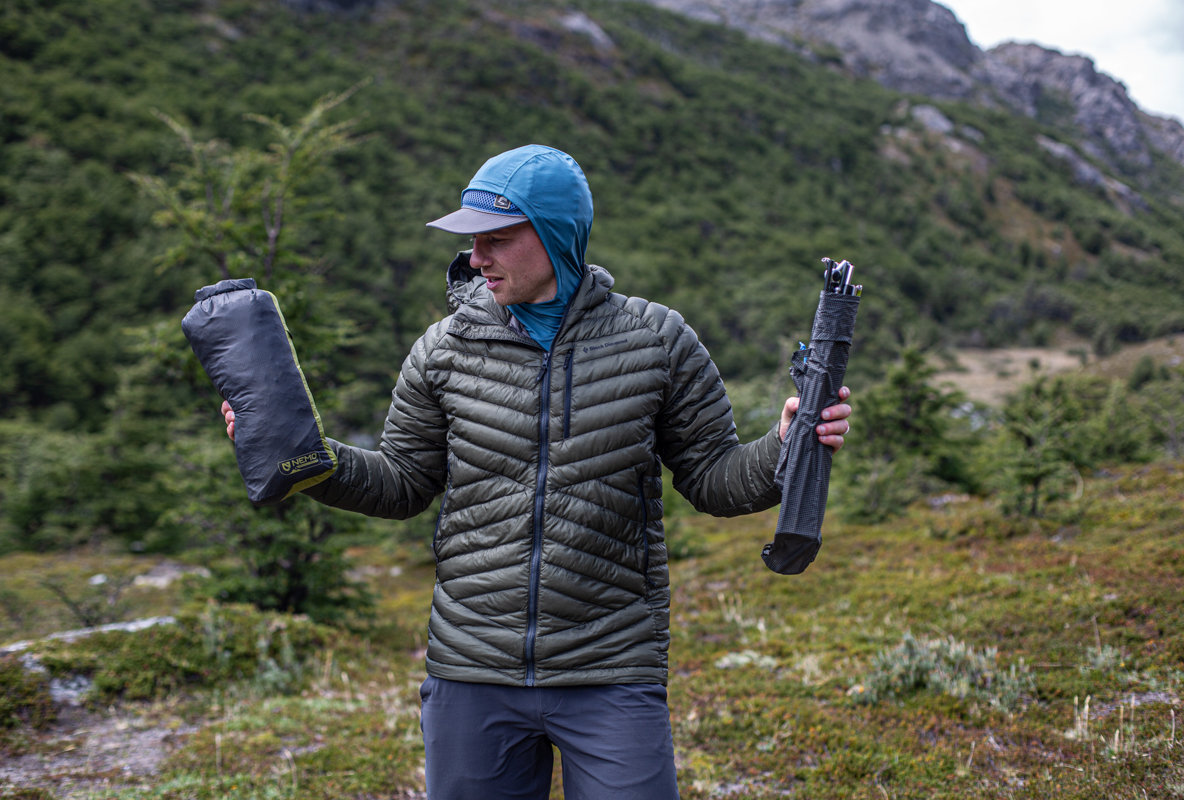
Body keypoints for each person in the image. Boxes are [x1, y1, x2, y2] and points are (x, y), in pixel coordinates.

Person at [220, 145, 852, 800]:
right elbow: (403, 481)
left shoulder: (656, 341)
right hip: (472, 670)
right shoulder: (442, 351)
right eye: (471, 240)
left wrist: (786, 443)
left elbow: (714, 476)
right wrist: (306, 457)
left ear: (554, 235)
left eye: (495, 238)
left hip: (611, 668)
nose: (476, 258)